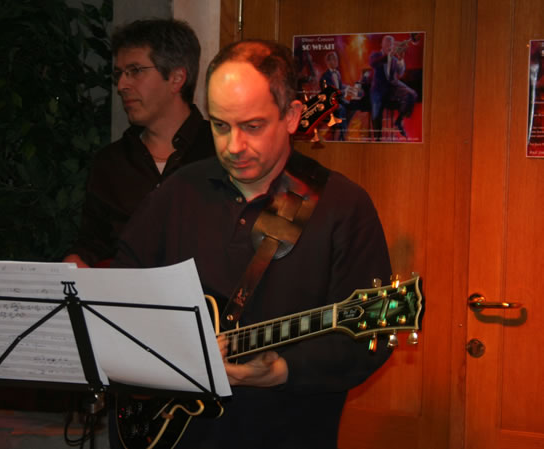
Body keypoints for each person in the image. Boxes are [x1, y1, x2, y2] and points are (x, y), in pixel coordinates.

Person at [113, 39, 393, 448]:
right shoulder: (179, 190)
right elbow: (122, 290)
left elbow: (373, 335)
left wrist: (283, 369)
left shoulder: (343, 206)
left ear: (291, 116)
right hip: (173, 434)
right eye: (220, 126)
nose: (234, 146)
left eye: (253, 126)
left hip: (286, 433)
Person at [63, 18, 214, 268]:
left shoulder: (222, 152)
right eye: (119, 74)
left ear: (176, 78)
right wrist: (76, 261)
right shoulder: (111, 162)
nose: (122, 85)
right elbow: (93, 243)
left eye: (135, 71)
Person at [369, 35, 418, 140]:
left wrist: (400, 60)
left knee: (412, 94)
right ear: (382, 44)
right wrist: (388, 56)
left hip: (392, 88)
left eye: (391, 43)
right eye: (387, 43)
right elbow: (373, 64)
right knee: (376, 112)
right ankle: (377, 138)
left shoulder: (394, 59)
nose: (389, 45)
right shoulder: (375, 55)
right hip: (378, 89)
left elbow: (400, 72)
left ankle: (399, 121)